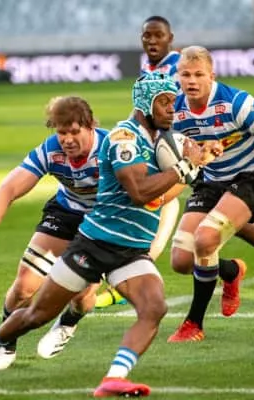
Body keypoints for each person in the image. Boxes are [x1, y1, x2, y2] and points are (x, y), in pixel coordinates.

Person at [0, 72, 219, 397]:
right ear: (146, 104)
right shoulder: (124, 138)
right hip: (96, 242)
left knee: (154, 308)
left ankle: (113, 378)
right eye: (165, 102)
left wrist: (200, 159)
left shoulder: (160, 139)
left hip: (131, 250)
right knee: (35, 314)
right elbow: (139, 192)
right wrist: (185, 168)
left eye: (174, 102)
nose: (173, 109)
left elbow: (165, 187)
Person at [0, 95, 183, 373]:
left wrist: (151, 244)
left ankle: (68, 323)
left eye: (74, 132)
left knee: (83, 295)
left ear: (91, 126)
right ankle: (5, 345)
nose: (67, 140)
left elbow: (161, 190)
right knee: (24, 285)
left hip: (106, 222)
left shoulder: (117, 145)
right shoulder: (50, 151)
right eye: (62, 133)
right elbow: (9, 189)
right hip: (67, 213)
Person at [167, 46, 254, 343]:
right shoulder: (174, 109)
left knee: (206, 238)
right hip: (212, 180)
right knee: (181, 260)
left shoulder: (235, 103)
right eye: (185, 75)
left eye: (199, 74)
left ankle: (194, 324)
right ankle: (233, 270)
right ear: (177, 76)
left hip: (252, 177)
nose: (191, 81)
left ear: (212, 75)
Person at [93, 15, 181, 309]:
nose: (152, 41)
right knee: (188, 233)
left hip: (176, 147)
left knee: (162, 203)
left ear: (170, 38)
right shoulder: (151, 68)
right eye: (147, 36)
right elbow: (141, 111)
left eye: (158, 35)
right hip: (161, 147)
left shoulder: (177, 67)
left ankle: (127, 277)